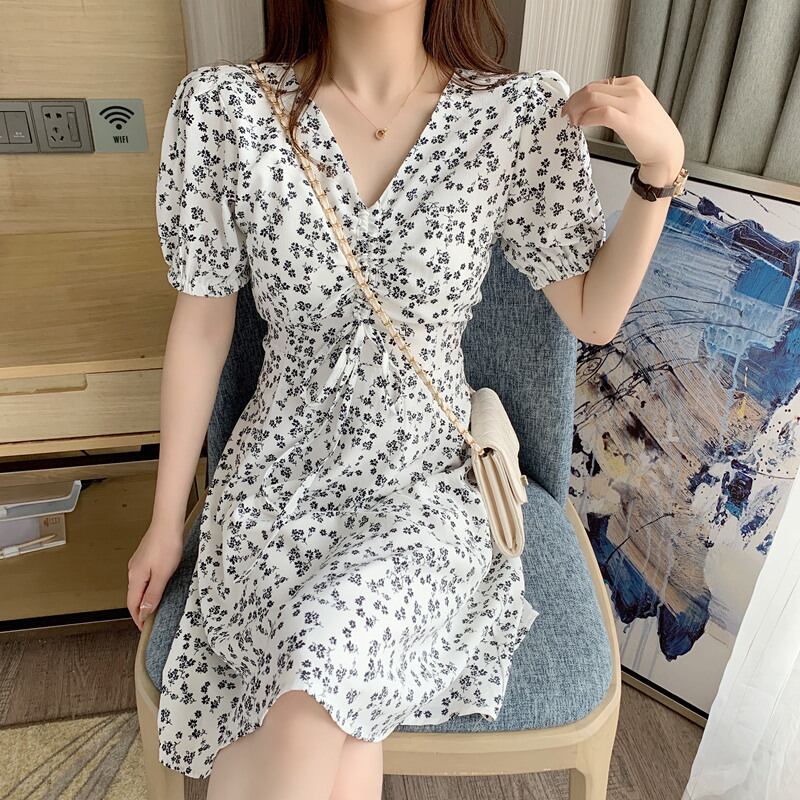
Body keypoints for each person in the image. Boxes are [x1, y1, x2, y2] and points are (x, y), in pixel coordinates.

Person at [127, 1, 685, 797]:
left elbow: (593, 315)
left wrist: (661, 175)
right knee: (335, 721)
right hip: (276, 482)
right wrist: (164, 520)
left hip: (426, 479)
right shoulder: (224, 109)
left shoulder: (514, 114)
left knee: (311, 688)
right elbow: (201, 326)